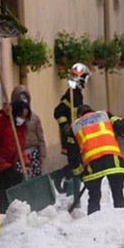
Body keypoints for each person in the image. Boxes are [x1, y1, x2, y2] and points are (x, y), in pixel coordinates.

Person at [72, 104, 124, 214]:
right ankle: (122, 219)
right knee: (118, 193)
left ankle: (94, 222)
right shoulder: (104, 116)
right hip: (112, 159)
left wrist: (81, 173)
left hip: (92, 163)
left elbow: (73, 154)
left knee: (94, 197)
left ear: (79, 115)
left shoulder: (76, 126)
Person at [52, 63, 90, 197]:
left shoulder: (77, 93)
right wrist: (65, 126)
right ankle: (60, 176)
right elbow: (58, 112)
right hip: (70, 136)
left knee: (78, 164)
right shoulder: (71, 94)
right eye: (84, 77)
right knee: (76, 164)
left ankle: (74, 192)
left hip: (76, 135)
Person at [0, 98, 30, 212]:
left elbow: (20, 148)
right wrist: (4, 113)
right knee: (14, 179)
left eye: (25, 116)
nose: (22, 119)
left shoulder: (21, 128)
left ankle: (7, 209)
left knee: (14, 181)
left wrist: (25, 162)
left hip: (9, 163)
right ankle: (5, 209)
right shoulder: (2, 120)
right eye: (21, 115)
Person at [13, 84, 46, 177]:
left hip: (33, 153)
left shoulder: (34, 118)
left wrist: (43, 155)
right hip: (18, 155)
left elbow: (40, 138)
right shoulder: (11, 119)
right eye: (20, 98)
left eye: (25, 98)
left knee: (35, 178)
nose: (23, 100)